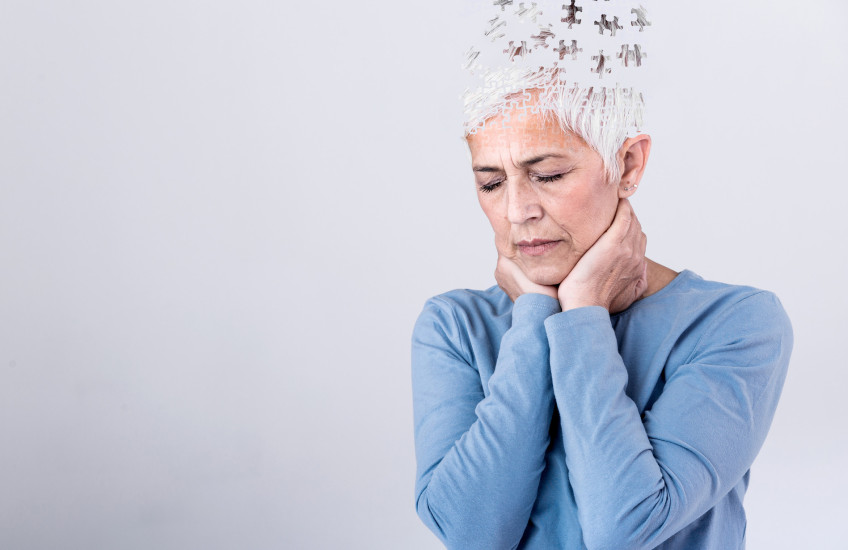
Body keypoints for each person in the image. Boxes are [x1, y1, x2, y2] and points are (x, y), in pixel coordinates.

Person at [410, 66, 793, 548]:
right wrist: (534, 315)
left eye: (547, 175)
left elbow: (626, 529)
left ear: (628, 165)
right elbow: (472, 533)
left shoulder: (736, 323)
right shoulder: (453, 325)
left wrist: (584, 312)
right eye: (491, 184)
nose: (516, 210)